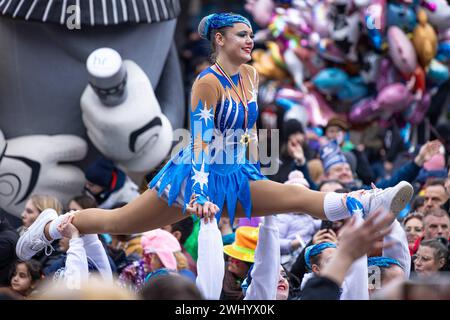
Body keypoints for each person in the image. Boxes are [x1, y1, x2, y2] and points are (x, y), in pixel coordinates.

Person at [16, 13, 414, 267]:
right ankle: (50, 229)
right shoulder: (207, 83)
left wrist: (253, 167)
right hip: (195, 175)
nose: (249, 41)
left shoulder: (253, 76)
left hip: (237, 170)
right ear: (219, 40)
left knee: (299, 198)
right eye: (241, 35)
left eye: (251, 35)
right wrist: (200, 195)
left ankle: (369, 199)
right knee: (122, 221)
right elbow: (202, 141)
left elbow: (245, 132)